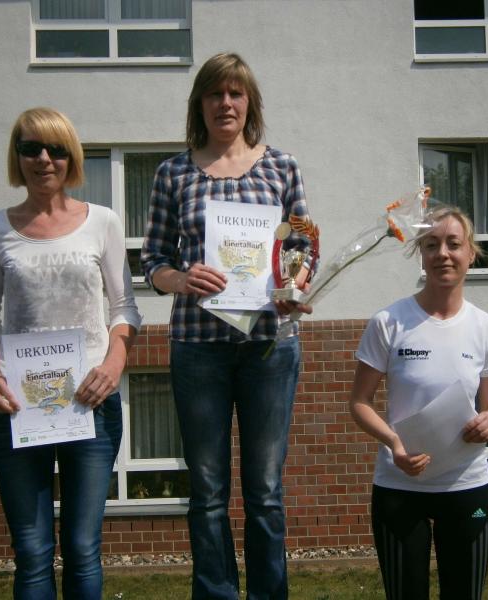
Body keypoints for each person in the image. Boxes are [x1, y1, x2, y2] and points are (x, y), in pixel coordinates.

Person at [140, 53, 314, 600]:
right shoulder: (172, 173)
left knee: (265, 490)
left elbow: (302, 246)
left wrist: (295, 282)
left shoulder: (282, 167)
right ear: (200, 105)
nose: (225, 104)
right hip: (199, 350)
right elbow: (152, 262)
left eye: (235, 94)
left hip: (269, 348)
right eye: (214, 94)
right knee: (209, 491)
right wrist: (181, 278)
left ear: (249, 103)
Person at [0, 107, 141, 600]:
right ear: (17, 156)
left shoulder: (102, 222)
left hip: (91, 404)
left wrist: (113, 365)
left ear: (72, 157)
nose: (44, 159)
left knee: (83, 549)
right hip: (19, 408)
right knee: (31, 551)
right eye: (31, 148)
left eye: (56, 149)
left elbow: (125, 308)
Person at [349, 205, 488, 600]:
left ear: (471, 253)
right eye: (432, 244)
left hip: (466, 483)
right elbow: (360, 402)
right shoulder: (389, 322)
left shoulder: (486, 328)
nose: (443, 254)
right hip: (400, 484)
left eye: (453, 244)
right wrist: (394, 443)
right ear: (420, 253)